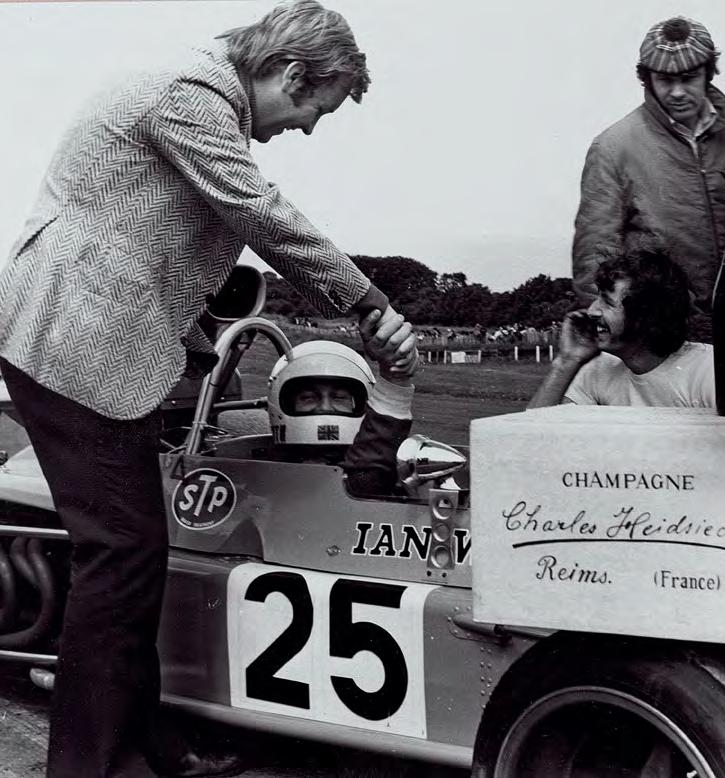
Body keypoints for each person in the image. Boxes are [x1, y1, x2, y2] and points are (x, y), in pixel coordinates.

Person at [0, 3, 417, 776]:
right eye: (316, 109)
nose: (308, 128)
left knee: (132, 555)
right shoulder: (189, 94)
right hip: (67, 342)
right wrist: (366, 302)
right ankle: (92, 765)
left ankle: (146, 750)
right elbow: (261, 213)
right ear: (291, 73)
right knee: (120, 554)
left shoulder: (199, 93)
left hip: (87, 345)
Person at [571, 16, 725, 318]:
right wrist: (606, 328)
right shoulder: (613, 146)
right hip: (657, 324)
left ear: (708, 73)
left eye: (689, 78)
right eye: (666, 80)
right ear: (648, 79)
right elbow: (595, 256)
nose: (678, 92)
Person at [528, 245, 715, 409]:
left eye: (607, 302)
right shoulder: (599, 367)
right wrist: (566, 362)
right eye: (597, 298)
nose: (592, 310)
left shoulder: (709, 372)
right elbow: (534, 431)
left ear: (646, 317)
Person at [267, 308, 416, 497]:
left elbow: (371, 467)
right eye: (308, 398)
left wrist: (396, 377)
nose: (325, 407)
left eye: (339, 398)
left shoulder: (382, 470)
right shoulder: (260, 476)